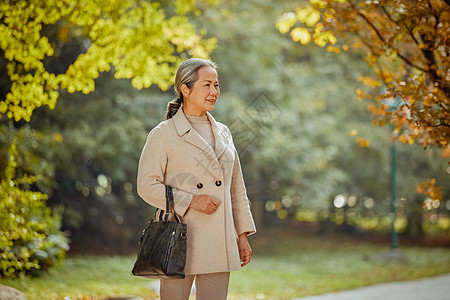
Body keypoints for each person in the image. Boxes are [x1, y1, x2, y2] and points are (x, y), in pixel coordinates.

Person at [137, 58, 256, 300]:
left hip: (219, 239)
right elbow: (146, 186)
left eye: (217, 85)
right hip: (178, 238)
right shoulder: (163, 133)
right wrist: (191, 200)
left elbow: (236, 189)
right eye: (207, 85)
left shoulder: (224, 132)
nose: (214, 92)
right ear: (185, 89)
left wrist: (241, 236)